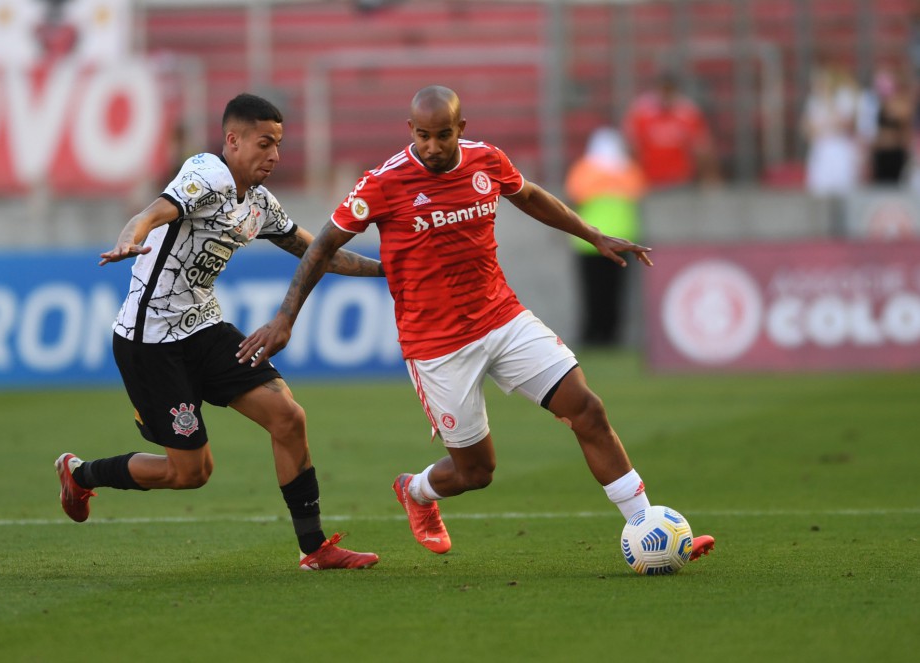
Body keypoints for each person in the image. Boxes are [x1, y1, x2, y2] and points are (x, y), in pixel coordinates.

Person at [238, 85, 715, 562]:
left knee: (587, 409)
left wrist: (591, 233)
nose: (432, 146)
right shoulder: (383, 183)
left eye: (442, 135)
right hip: (437, 344)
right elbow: (320, 246)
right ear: (411, 131)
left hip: (501, 316)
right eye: (423, 136)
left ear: (460, 130)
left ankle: (647, 525)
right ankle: (418, 491)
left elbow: (528, 196)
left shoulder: (487, 161)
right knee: (476, 472)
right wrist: (285, 317)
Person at [54, 93, 384, 571]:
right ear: (232, 140)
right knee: (191, 473)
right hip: (151, 342)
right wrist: (134, 234)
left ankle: (315, 549)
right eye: (264, 143)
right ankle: (80, 473)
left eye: (279, 145)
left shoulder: (261, 205)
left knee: (287, 417)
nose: (274, 155)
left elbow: (319, 255)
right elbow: (156, 210)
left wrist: (388, 271)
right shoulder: (206, 174)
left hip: (204, 329)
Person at [564, 126, 646, 347]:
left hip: (588, 241)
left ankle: (592, 336)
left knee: (592, 293)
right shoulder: (629, 170)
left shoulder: (584, 169)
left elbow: (574, 196)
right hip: (621, 239)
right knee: (615, 292)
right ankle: (612, 336)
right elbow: (638, 193)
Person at [621, 72, 719, 189]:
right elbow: (631, 147)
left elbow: (702, 148)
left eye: (669, 90)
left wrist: (709, 177)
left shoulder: (687, 113)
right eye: (663, 90)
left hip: (680, 179)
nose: (665, 95)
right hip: (649, 180)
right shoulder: (641, 112)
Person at [801, 62, 863, 197]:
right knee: (819, 190)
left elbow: (845, 124)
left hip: (840, 149)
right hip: (821, 150)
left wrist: (825, 122)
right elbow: (808, 130)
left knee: (843, 189)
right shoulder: (813, 102)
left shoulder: (843, 98)